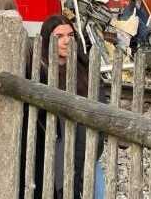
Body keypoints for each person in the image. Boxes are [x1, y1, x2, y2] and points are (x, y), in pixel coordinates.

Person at [27, 15, 105, 199]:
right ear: (47, 41)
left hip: (87, 151)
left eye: (70, 35)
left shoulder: (86, 69)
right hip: (53, 155)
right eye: (59, 36)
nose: (66, 41)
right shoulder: (39, 72)